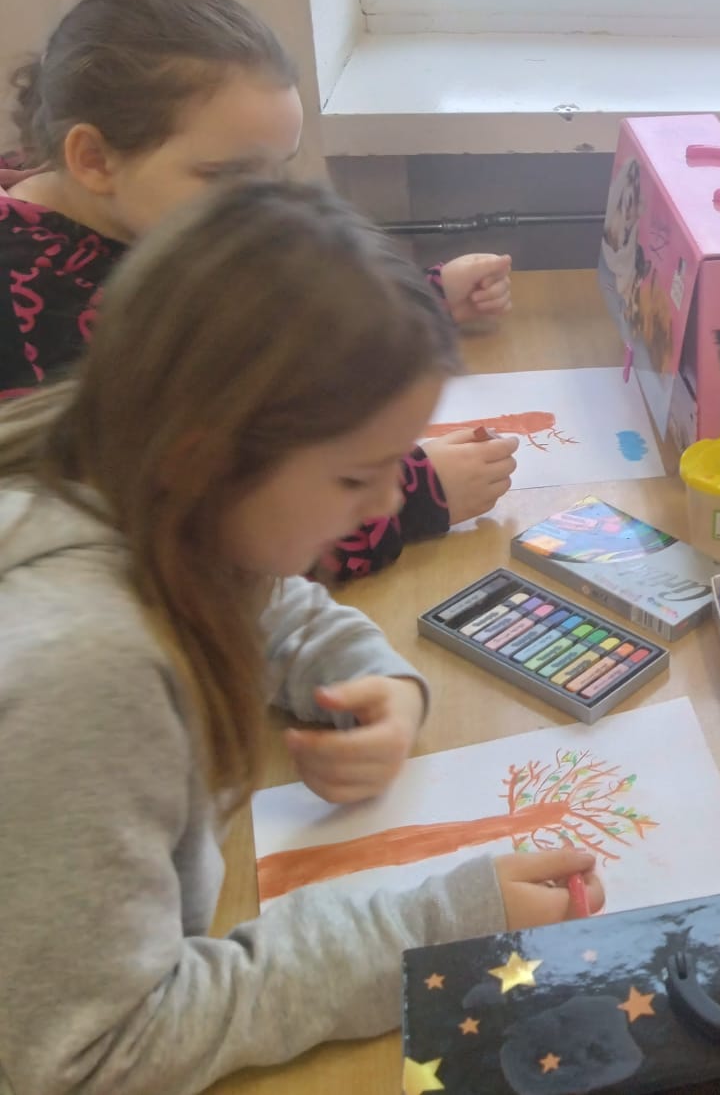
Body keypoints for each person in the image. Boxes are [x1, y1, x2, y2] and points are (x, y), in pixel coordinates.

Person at [0, 181, 603, 1095]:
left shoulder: (119, 474)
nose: (392, 498)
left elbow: (259, 592)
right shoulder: (87, 675)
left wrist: (372, 678)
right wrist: (429, 931)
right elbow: (96, 1051)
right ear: (204, 458)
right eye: (358, 476)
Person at [2, 0, 517, 577]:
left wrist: (413, 307)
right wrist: (404, 501)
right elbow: (174, 539)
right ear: (93, 159)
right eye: (227, 174)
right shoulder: (35, 318)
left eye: (278, 172)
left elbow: (270, 331)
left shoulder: (153, 223)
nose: (266, 206)